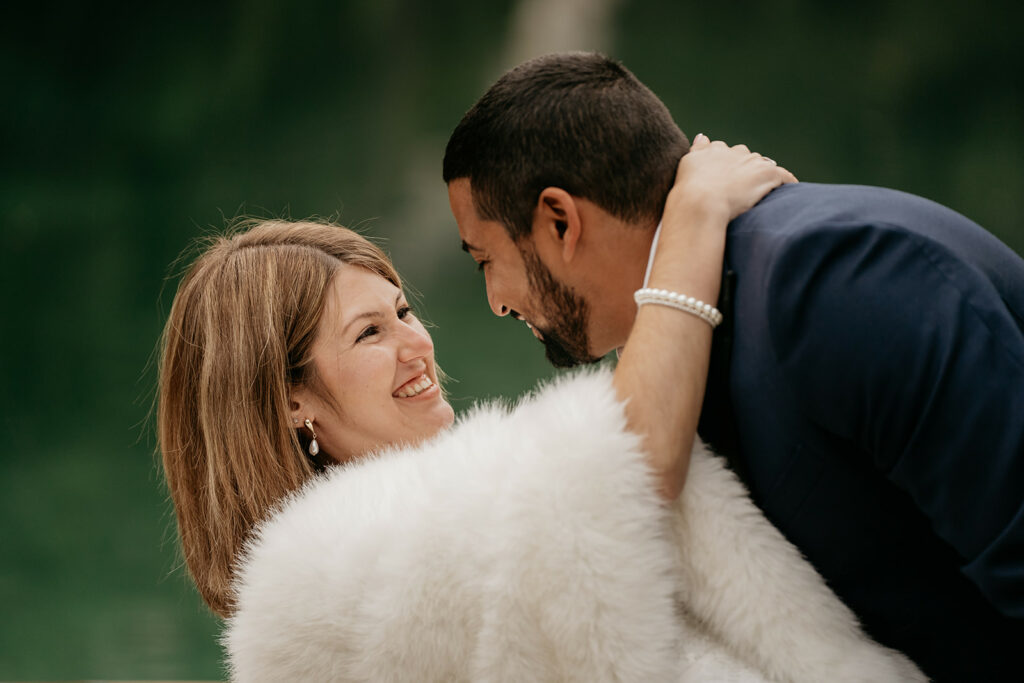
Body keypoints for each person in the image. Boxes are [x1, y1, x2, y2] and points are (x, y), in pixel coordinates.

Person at [158, 142, 924, 681]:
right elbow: (628, 465)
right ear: (289, 398)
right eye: (368, 333)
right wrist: (690, 219)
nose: (415, 344)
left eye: (402, 310)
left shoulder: (461, 494)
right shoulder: (312, 582)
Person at [442, 51, 1024, 682]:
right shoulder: (684, 341)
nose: (496, 299)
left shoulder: (832, 280)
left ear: (560, 220)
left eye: (484, 260)